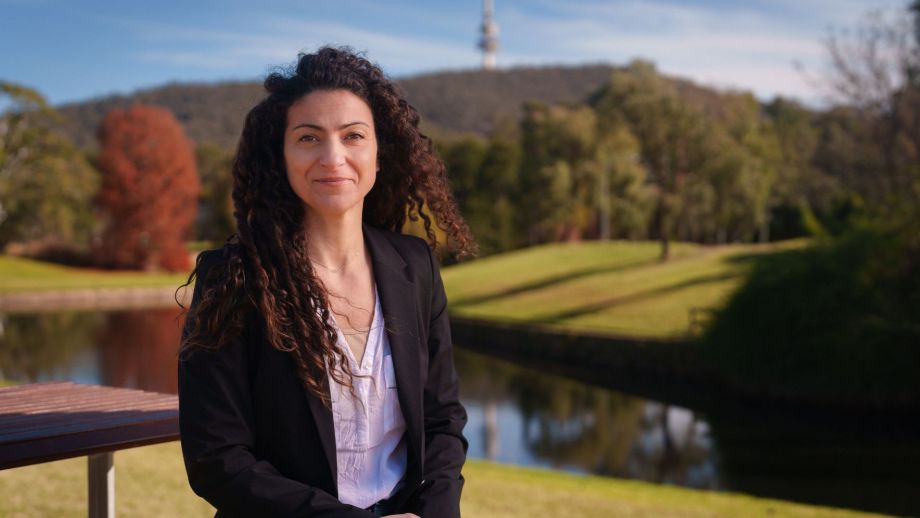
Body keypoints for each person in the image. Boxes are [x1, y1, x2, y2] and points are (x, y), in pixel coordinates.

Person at [178, 46, 475, 518]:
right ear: (282, 157)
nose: (333, 157)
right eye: (309, 138)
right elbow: (217, 459)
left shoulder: (414, 265)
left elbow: (442, 419)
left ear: (380, 154)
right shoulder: (233, 279)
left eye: (353, 135)